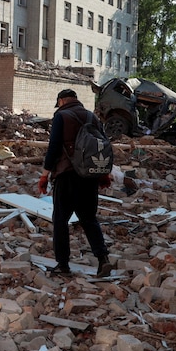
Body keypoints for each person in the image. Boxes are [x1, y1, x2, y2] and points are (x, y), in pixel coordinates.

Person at [38, 89, 113, 277]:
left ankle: (63, 265)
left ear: (61, 101)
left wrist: (44, 175)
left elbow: (53, 148)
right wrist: (103, 174)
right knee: (89, 219)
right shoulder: (92, 117)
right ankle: (103, 259)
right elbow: (101, 146)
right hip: (89, 176)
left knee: (61, 220)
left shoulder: (61, 117)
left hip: (67, 175)